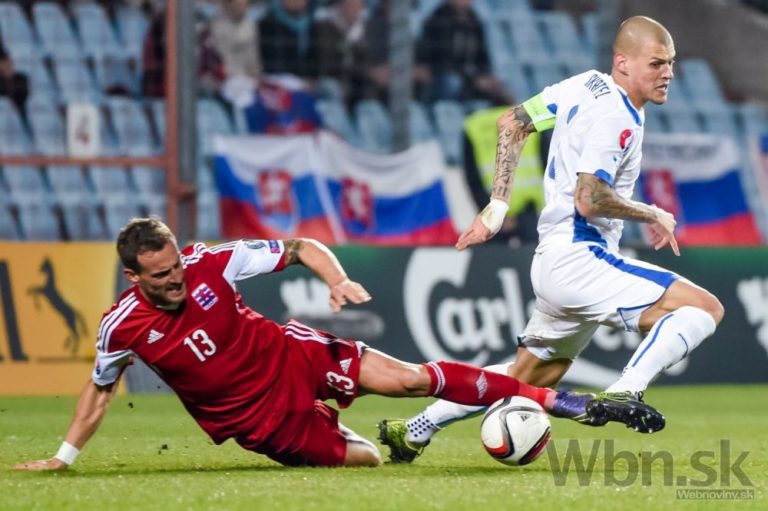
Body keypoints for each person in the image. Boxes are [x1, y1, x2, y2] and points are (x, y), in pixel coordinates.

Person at [14, 218, 659, 470]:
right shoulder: (120, 325)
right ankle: (353, 431)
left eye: (177, 267)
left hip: (291, 354)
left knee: (409, 378)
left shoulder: (209, 261)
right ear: (134, 277)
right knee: (368, 461)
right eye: (161, 277)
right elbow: (99, 390)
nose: (177, 281)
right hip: (261, 423)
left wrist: (338, 279)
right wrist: (64, 458)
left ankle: (554, 400)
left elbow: (299, 246)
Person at [378, 16, 723, 463]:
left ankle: (415, 430)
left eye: (671, 63)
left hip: (553, 260)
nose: (668, 73)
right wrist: (651, 212)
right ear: (623, 62)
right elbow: (589, 198)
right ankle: (626, 389)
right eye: (657, 63)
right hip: (582, 258)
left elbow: (512, 122)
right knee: (703, 308)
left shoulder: (585, 84)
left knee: (526, 378)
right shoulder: (618, 116)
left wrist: (496, 206)